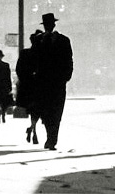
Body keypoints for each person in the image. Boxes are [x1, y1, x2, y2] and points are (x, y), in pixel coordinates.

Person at [34, 12, 73, 150]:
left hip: (57, 82)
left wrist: (66, 77)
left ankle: (52, 138)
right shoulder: (39, 41)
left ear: (54, 25)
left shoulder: (63, 40)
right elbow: (34, 60)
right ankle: (50, 136)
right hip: (44, 82)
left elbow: (69, 60)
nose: (48, 26)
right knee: (46, 112)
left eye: (49, 24)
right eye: (46, 25)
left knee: (56, 111)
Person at [15, 30, 42, 144]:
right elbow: (19, 70)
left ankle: (32, 128)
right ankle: (33, 129)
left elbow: (19, 70)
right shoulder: (41, 54)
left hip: (31, 86)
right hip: (35, 86)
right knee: (36, 110)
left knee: (34, 110)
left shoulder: (25, 53)